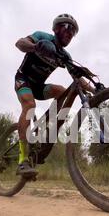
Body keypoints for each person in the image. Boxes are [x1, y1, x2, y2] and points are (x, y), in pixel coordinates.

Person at [14, 14, 95, 176]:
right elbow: (19, 43)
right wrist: (35, 47)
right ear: (56, 28)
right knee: (29, 106)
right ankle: (22, 160)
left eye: (73, 32)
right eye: (67, 27)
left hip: (39, 87)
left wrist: (96, 89)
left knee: (64, 91)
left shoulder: (65, 56)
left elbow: (78, 79)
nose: (70, 33)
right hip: (24, 80)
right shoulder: (42, 37)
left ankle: (50, 123)